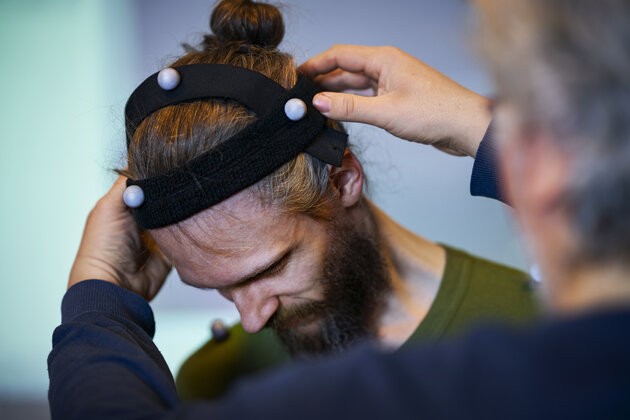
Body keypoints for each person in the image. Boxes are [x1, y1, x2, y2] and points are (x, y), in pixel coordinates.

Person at [48, 0, 630, 418]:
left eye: (267, 269)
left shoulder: (546, 331)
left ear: (345, 179)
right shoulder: (212, 378)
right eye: (221, 291)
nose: (252, 319)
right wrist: (485, 128)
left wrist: (97, 299)